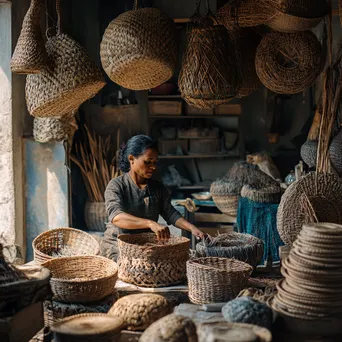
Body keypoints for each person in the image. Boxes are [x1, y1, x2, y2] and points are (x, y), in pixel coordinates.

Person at [100, 135, 204, 260]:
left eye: (155, 162)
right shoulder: (117, 185)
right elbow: (117, 217)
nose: (153, 167)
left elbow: (170, 213)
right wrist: (150, 223)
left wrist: (192, 228)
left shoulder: (158, 188)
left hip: (146, 245)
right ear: (131, 159)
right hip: (118, 246)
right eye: (148, 162)